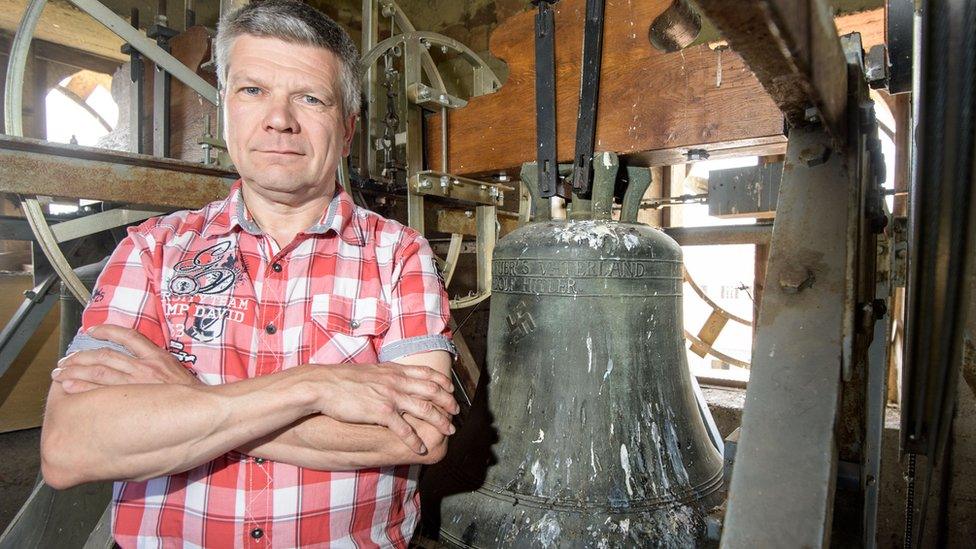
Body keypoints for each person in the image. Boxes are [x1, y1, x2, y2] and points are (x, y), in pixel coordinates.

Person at [40, 1, 459, 546]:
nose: (280, 120)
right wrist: (314, 386)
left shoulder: (399, 255)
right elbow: (72, 445)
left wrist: (188, 398)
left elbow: (419, 437)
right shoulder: (152, 249)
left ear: (349, 127)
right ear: (224, 110)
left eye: (310, 98)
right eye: (253, 90)